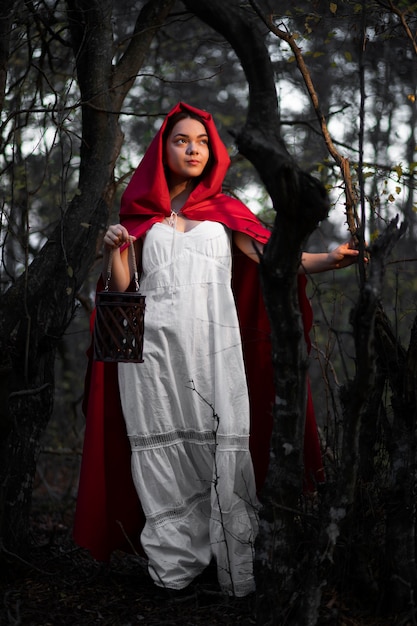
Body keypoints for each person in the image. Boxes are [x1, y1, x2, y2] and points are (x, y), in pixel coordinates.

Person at [73, 102, 360, 597]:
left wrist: (328, 261)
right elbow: (124, 291)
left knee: (221, 443)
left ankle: (232, 562)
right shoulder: (140, 216)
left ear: (214, 153)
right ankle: (175, 566)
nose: (193, 149)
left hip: (214, 347)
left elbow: (276, 258)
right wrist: (111, 251)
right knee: (163, 450)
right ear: (162, 149)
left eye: (202, 142)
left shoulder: (225, 211)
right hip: (152, 357)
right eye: (182, 140)